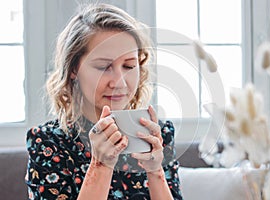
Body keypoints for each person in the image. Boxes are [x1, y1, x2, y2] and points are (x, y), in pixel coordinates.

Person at [25, 3, 183, 200]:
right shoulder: (47, 142)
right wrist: (101, 165)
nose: (119, 82)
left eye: (129, 66)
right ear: (74, 69)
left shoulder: (160, 135)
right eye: (103, 66)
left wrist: (155, 171)